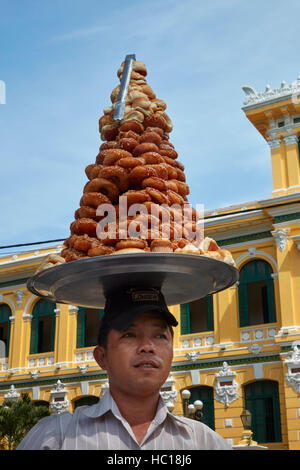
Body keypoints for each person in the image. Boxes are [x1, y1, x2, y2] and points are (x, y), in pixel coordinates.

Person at [17, 288, 231, 450]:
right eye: (129, 334)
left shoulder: (204, 441)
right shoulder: (57, 437)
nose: (148, 347)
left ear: (171, 354)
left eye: (160, 336)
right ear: (102, 357)